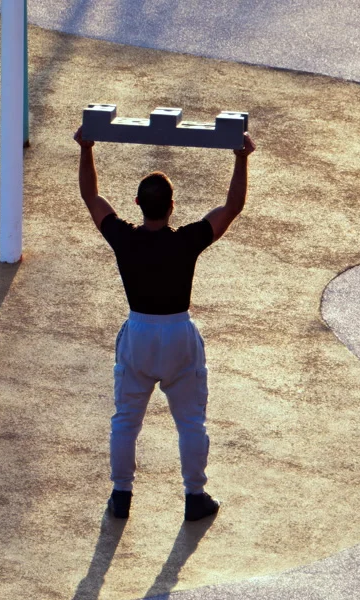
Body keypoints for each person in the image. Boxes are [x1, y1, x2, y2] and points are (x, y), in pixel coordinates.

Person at [74, 125, 256, 520]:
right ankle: (195, 496)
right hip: (178, 335)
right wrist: (241, 159)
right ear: (172, 205)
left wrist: (87, 148)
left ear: (137, 203)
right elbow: (232, 207)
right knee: (190, 421)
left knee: (125, 420)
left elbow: (91, 197)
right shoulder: (185, 241)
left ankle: (121, 496)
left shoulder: (124, 238)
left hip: (138, 335)